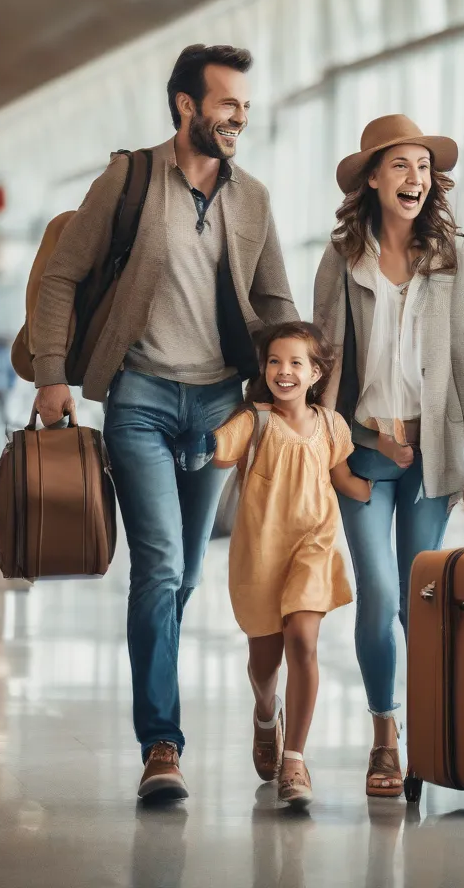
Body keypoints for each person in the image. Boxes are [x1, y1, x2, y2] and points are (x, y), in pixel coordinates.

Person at [31, 44, 298, 802]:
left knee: (181, 581)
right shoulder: (131, 178)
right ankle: (162, 745)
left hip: (217, 407)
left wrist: (289, 393)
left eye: (245, 105)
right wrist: (53, 374)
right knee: (162, 567)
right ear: (186, 105)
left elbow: (273, 303)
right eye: (226, 104)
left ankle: (158, 704)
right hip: (142, 400)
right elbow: (62, 275)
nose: (239, 116)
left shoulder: (252, 198)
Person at [313, 114, 464, 798]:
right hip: (363, 455)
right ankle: (385, 736)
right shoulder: (340, 259)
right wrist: (334, 457)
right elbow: (320, 365)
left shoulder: (450, 255)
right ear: (372, 179)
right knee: (380, 594)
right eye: (400, 166)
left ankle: (430, 731)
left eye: (423, 167)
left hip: (432, 457)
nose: (414, 178)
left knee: (419, 602)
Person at [176, 322, 370, 809]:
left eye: (296, 363)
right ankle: (267, 713)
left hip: (314, 546)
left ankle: (295, 759)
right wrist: (193, 444)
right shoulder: (254, 421)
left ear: (316, 372)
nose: (284, 371)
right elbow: (217, 450)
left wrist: (390, 488)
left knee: (303, 640)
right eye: (275, 362)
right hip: (260, 555)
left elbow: (344, 477)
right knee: (265, 662)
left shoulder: (331, 425)